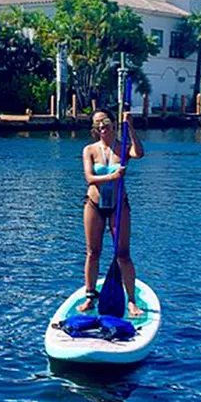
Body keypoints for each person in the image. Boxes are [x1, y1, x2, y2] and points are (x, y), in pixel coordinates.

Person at [79, 109, 144, 317]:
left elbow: (139, 153)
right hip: (94, 204)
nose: (101, 125)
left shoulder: (123, 147)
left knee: (123, 254)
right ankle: (90, 296)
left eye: (105, 121)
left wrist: (130, 127)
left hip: (118, 205)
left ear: (113, 123)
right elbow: (89, 178)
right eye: (97, 123)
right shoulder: (89, 149)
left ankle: (131, 301)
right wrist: (112, 177)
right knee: (93, 252)